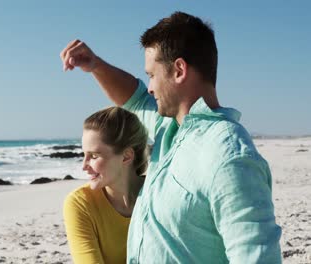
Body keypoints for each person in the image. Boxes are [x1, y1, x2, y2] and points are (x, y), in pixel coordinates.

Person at [60, 11, 282, 263]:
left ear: (179, 70)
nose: (151, 86)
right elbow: (134, 99)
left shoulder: (228, 156)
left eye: (152, 75)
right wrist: (96, 65)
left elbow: (256, 256)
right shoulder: (167, 127)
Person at [63, 106, 148, 264]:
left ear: (126, 156)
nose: (84, 166)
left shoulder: (158, 194)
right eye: (84, 154)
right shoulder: (81, 204)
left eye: (94, 156)